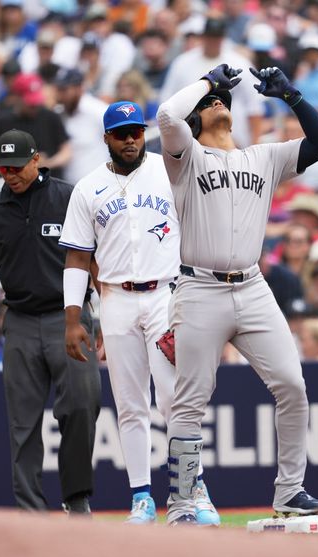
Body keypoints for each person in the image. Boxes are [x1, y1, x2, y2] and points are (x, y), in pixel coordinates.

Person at [156, 64, 318, 523]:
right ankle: (180, 502)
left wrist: (292, 96)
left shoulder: (264, 157)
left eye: (222, 101)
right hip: (199, 287)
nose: (218, 104)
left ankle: (290, 491)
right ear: (195, 120)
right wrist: (206, 82)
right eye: (210, 104)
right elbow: (166, 115)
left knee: (293, 386)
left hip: (253, 286)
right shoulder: (186, 156)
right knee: (191, 400)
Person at [58, 102, 218, 525]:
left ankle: (193, 491)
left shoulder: (169, 169)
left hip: (166, 294)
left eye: (136, 131)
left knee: (173, 399)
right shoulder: (87, 187)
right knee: (130, 405)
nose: (131, 139)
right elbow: (77, 257)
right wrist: (74, 319)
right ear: (106, 138)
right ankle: (142, 497)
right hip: (115, 299)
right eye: (121, 133)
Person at [0, 129, 101, 514]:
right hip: (21, 321)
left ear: (36, 159)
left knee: (81, 405)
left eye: (16, 166)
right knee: (22, 423)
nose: (10, 174)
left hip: (69, 316)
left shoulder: (68, 197)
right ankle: (31, 513)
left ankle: (76, 500)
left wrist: (104, 318)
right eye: (3, 168)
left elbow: (94, 261)